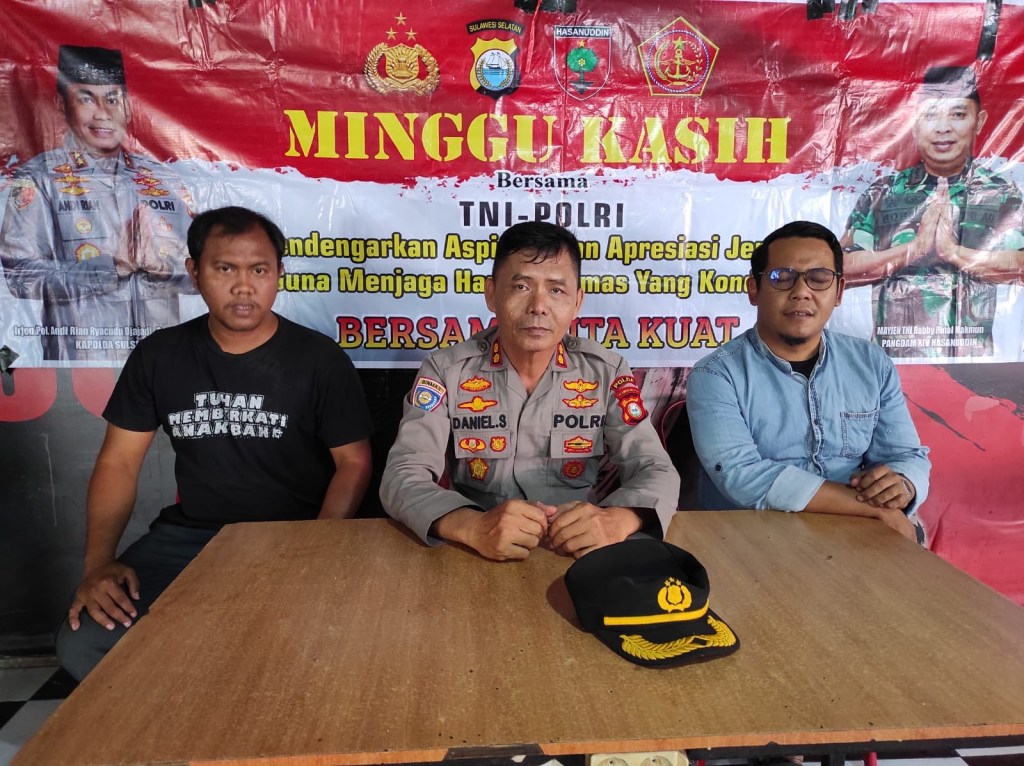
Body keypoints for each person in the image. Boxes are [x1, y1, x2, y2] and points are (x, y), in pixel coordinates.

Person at [56, 206, 373, 680]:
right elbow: (119, 463)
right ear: (194, 272)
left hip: (294, 535)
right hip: (190, 539)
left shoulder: (319, 359)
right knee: (86, 641)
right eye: (225, 268)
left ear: (279, 274)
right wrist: (97, 565)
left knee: (312, 644)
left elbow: (354, 463)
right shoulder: (160, 355)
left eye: (259, 270)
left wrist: (317, 551)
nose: (243, 287)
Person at [380, 221, 680, 561]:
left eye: (556, 290)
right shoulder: (446, 371)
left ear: (577, 302)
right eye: (521, 286)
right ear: (492, 294)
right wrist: (470, 526)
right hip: (476, 552)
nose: (539, 305)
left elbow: (656, 468)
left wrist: (618, 520)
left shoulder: (605, 371)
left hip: (577, 551)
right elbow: (402, 475)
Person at [687, 221, 931, 541]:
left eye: (819, 278)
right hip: (756, 538)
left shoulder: (871, 364)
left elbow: (907, 455)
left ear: (839, 292)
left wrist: (902, 484)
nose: (801, 292)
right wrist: (871, 509)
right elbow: (742, 476)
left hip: (860, 533)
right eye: (782, 277)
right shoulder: (716, 374)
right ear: (754, 290)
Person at [0, 45, 197, 362]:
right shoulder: (39, 179)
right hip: (83, 364)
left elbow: (203, 272)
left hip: (163, 363)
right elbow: (21, 276)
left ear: (128, 107)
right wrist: (111, 267)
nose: (103, 112)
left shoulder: (163, 180)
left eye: (112, 99)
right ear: (61, 105)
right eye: (87, 98)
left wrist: (164, 267)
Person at [841, 65, 1024, 359]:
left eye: (958, 114)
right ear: (914, 124)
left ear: (979, 121)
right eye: (931, 115)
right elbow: (842, 268)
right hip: (893, 362)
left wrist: (954, 253)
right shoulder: (883, 194)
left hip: (974, 365)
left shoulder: (1001, 194)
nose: (943, 128)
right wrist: (911, 251)